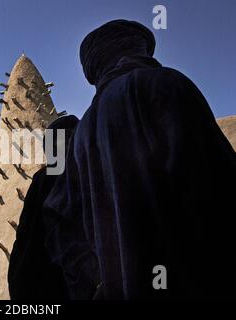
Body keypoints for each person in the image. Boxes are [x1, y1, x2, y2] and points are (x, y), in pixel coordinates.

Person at [43, 19, 236, 299]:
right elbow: (217, 185)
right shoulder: (163, 84)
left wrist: (97, 280)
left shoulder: (83, 130)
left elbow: (63, 220)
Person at [8, 115, 79, 300]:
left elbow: (25, 239)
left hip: (44, 282)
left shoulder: (45, 179)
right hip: (55, 281)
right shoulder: (49, 180)